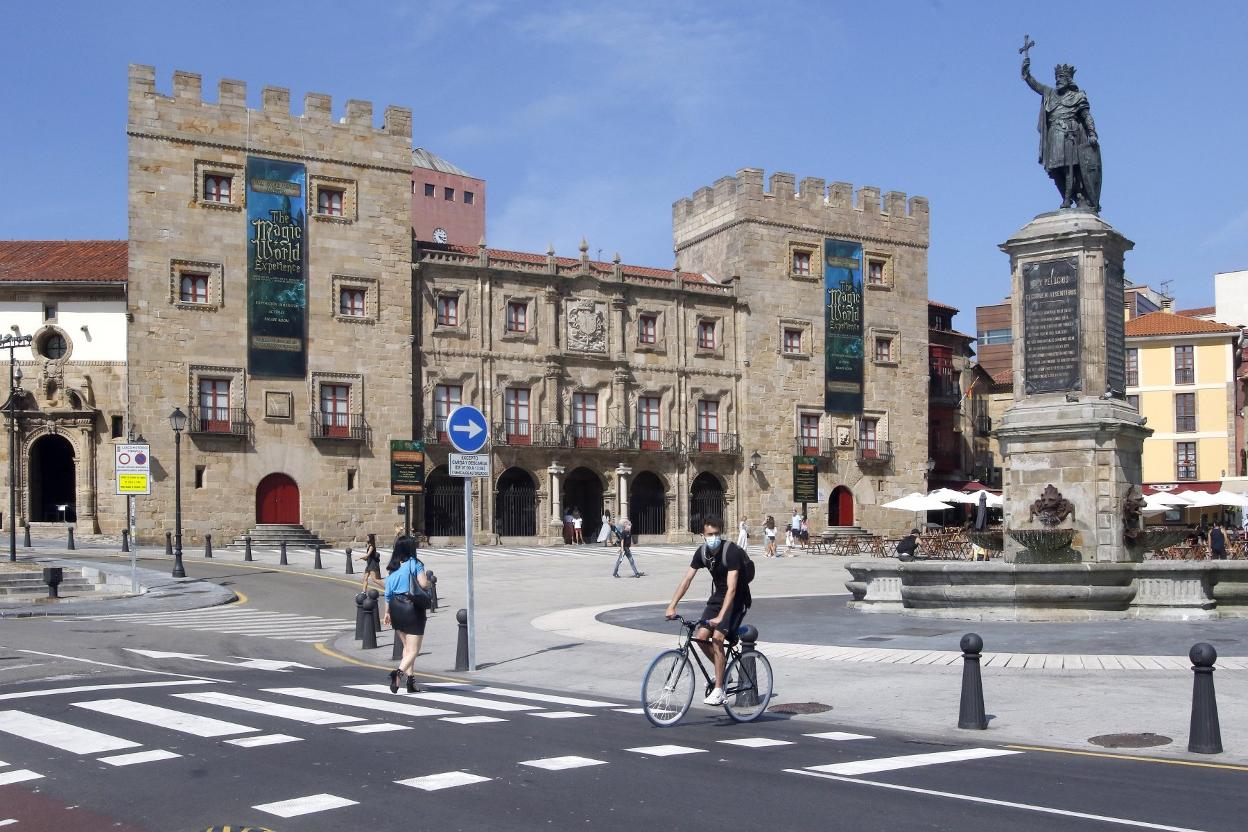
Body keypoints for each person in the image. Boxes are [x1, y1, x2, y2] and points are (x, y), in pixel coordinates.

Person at [664, 517, 751, 706]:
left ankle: (719, 690)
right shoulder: (702, 552)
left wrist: (720, 617)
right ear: (702, 535)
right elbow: (687, 579)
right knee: (701, 637)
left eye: (716, 534)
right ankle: (724, 673)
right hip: (717, 598)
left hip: (737, 600)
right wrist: (672, 604)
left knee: (717, 638)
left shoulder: (732, 552)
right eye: (710, 534)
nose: (713, 537)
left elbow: (732, 588)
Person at [382, 536, 431, 694]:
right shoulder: (415, 564)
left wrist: (386, 613)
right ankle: (398, 673)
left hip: (395, 607)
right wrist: (429, 583)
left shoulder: (392, 567)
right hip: (411, 607)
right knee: (413, 650)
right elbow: (423, 584)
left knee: (406, 647)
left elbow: (387, 594)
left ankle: (411, 682)